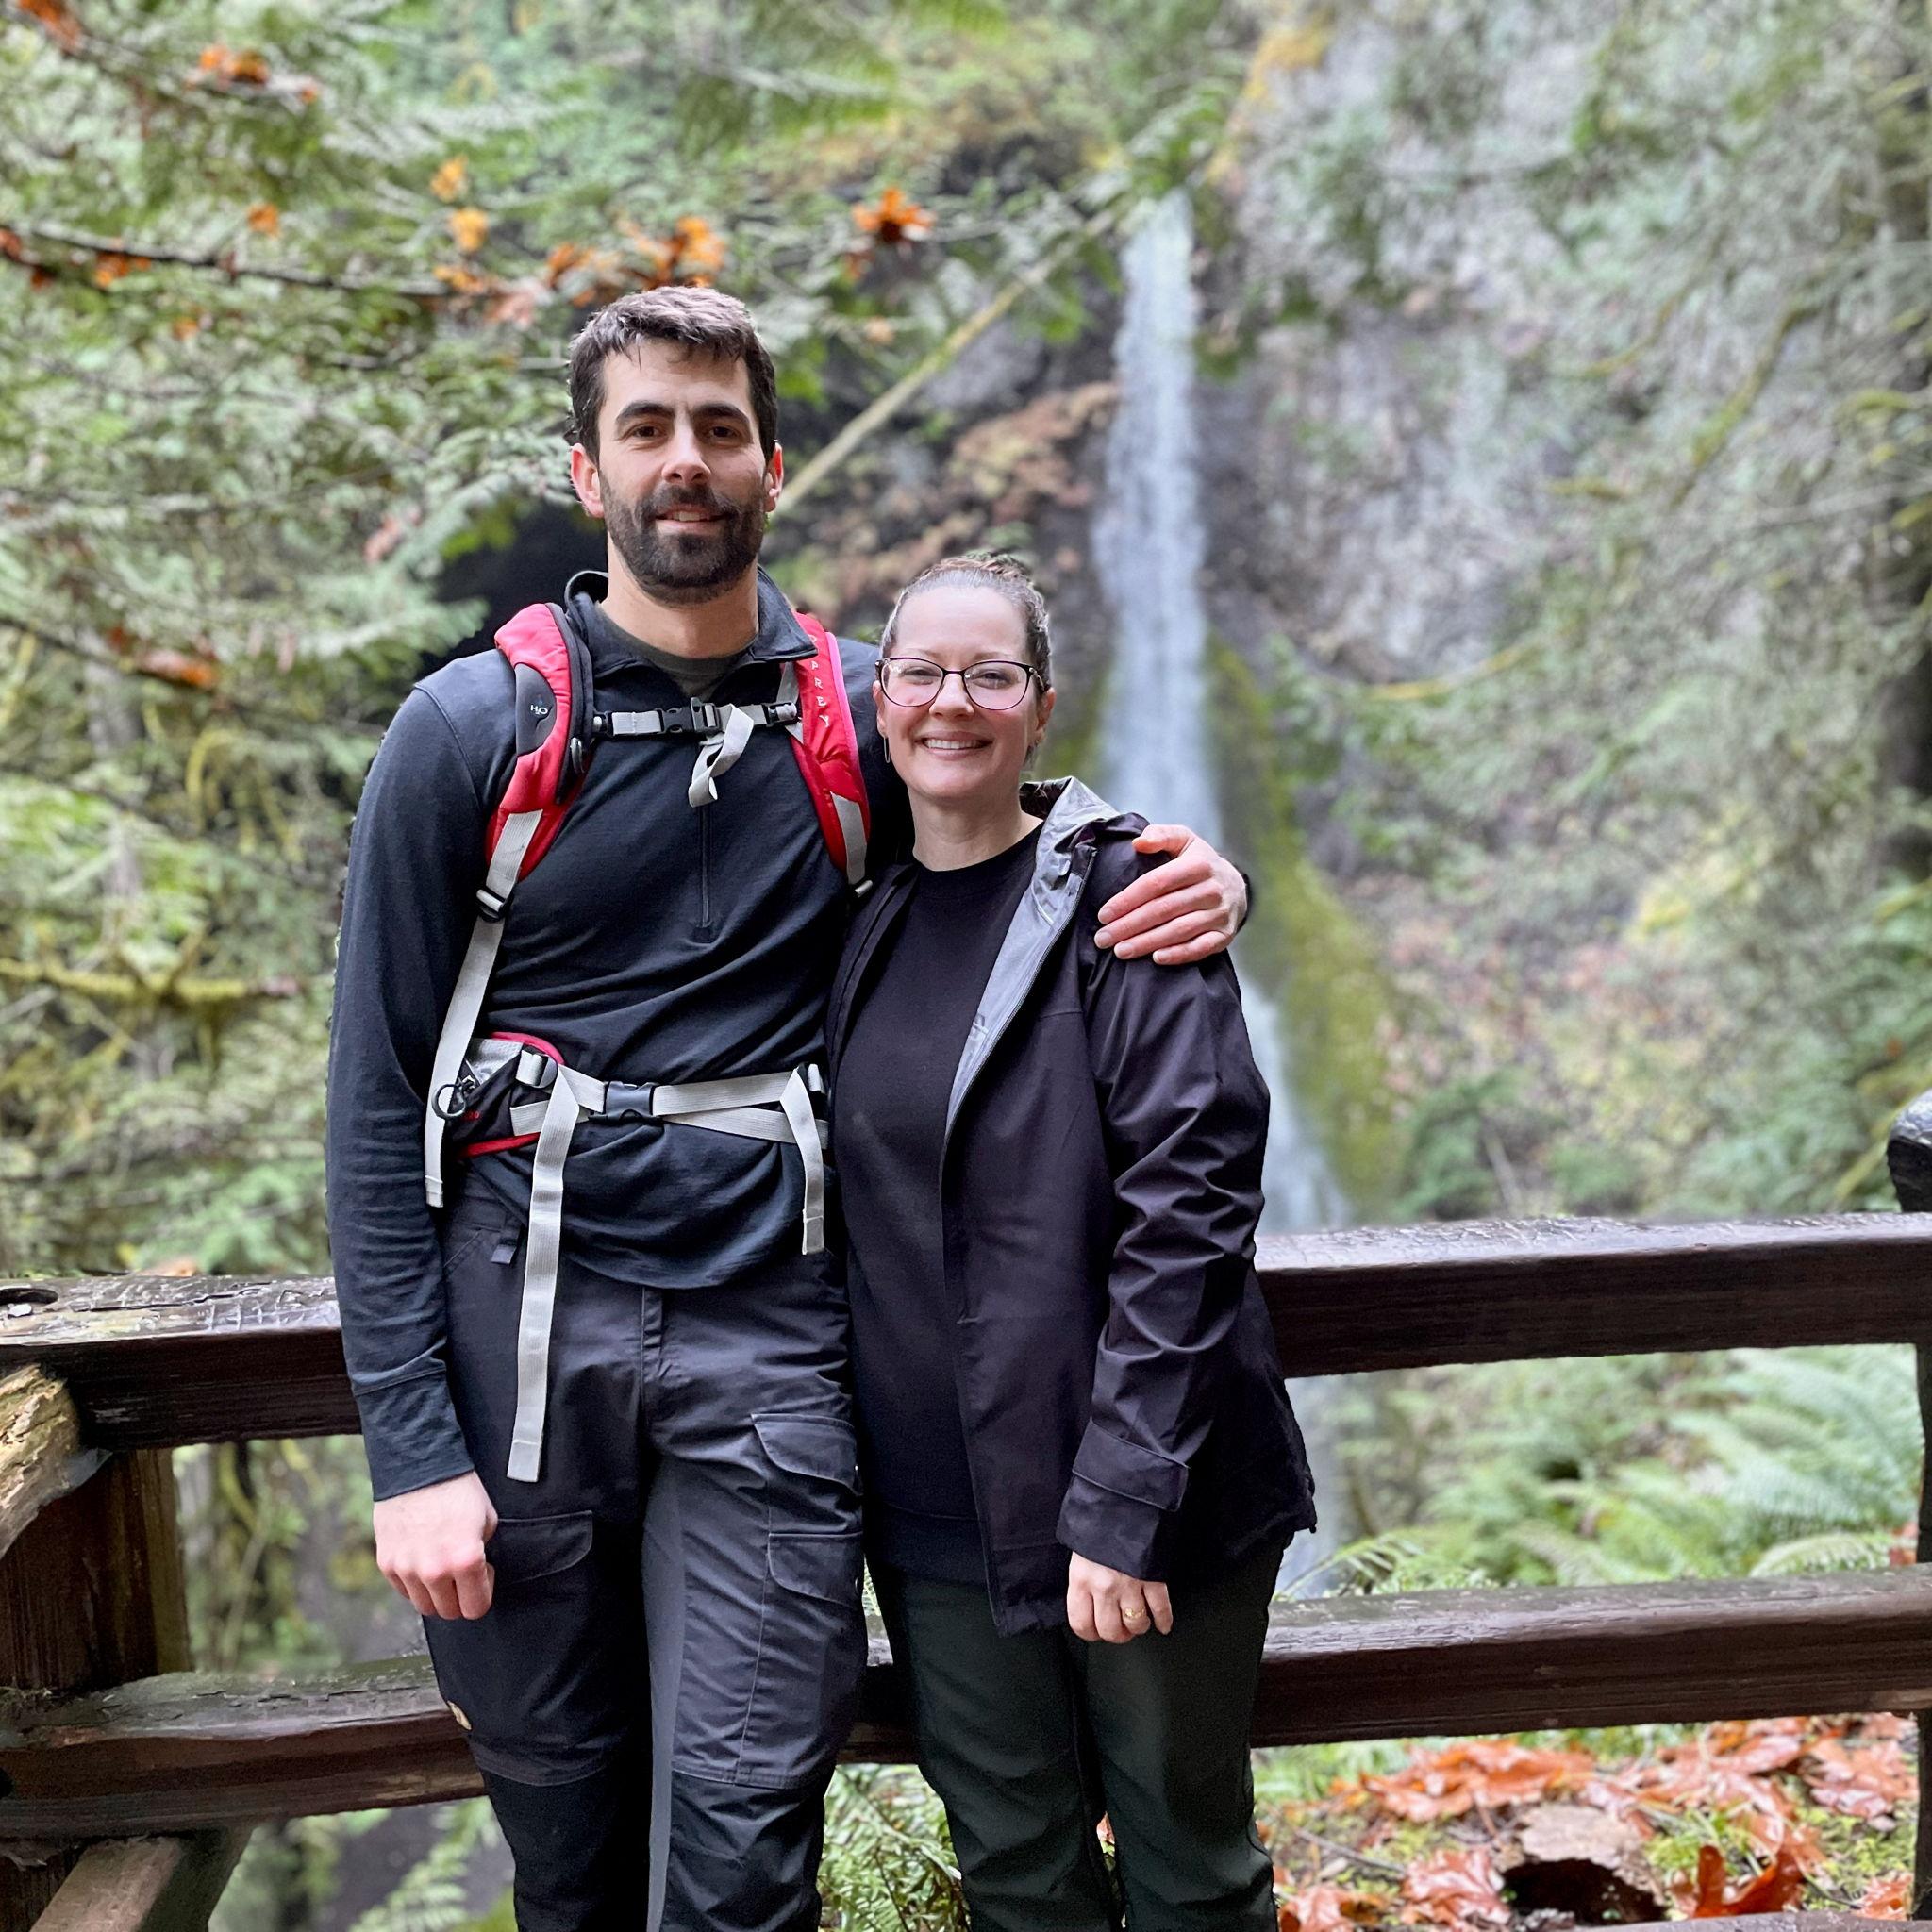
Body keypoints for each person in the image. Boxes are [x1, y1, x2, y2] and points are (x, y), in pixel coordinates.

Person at [325, 287, 1253, 1932]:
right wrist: (408, 1448)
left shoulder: (856, 711)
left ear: (771, 466)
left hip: (771, 1335)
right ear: (584, 470)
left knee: (749, 1833)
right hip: (524, 1335)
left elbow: (1002, 814)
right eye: (646, 428)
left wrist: (1182, 864)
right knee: (566, 1829)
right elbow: (372, 1111)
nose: (687, 461)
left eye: (719, 429)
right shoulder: (468, 733)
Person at [827, 553, 1315, 1932]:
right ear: (878, 696)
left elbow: (1194, 1207)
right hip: (935, 1520)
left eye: (991, 676)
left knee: (1189, 1871)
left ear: (1041, 711)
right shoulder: (860, 918)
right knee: (1020, 1875)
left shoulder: (1132, 898)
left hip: (1141, 1503)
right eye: (920, 671)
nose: (951, 704)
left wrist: (1121, 1506)